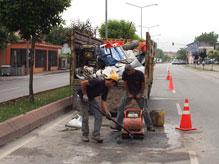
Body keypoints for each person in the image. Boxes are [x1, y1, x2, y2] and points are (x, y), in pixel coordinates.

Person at [77, 71, 119, 142]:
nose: (113, 86)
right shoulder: (98, 81)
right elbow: (83, 83)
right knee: (85, 116)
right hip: (82, 97)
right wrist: (84, 94)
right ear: (111, 81)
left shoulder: (106, 88)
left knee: (98, 115)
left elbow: (103, 101)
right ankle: (85, 135)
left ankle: (96, 135)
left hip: (91, 98)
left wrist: (107, 112)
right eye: (113, 84)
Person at [111, 64, 155, 132]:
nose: (128, 73)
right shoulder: (125, 73)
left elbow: (143, 85)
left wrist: (140, 94)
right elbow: (125, 84)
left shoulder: (140, 74)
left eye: (129, 72)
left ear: (132, 70)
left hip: (139, 91)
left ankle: (149, 126)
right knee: (120, 107)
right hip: (129, 92)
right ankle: (118, 126)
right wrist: (128, 93)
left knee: (144, 109)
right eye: (126, 72)